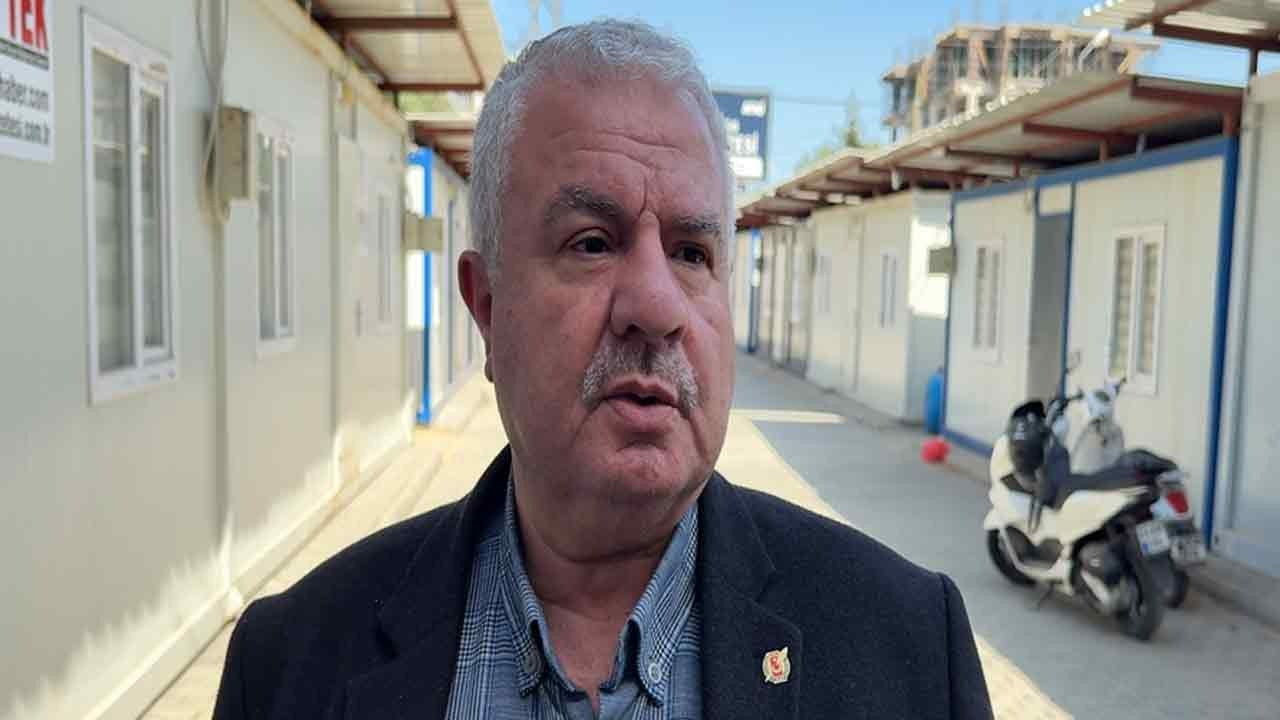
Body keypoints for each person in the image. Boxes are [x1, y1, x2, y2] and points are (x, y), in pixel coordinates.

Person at [213, 19, 993, 720]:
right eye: (591, 242)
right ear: (487, 306)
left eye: (693, 253)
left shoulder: (909, 648)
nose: (657, 306)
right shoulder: (291, 665)